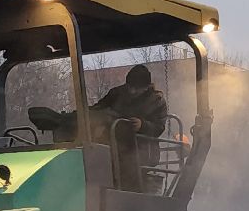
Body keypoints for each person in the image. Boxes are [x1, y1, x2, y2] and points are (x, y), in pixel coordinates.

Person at [26, 65, 170, 190]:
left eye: (136, 88)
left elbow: (159, 127)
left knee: (125, 173)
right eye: (130, 87)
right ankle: (61, 121)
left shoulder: (156, 101)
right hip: (112, 145)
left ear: (146, 87)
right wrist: (77, 116)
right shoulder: (117, 93)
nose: (132, 91)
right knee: (97, 122)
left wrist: (142, 125)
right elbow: (98, 109)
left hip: (139, 150)